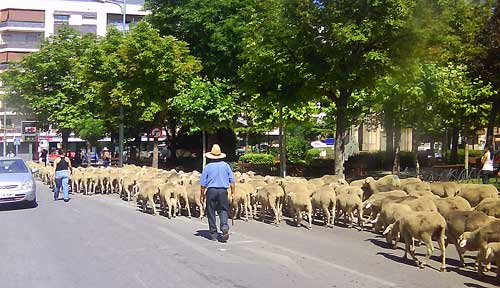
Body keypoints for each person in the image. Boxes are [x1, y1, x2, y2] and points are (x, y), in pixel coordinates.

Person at [200, 144, 235, 242]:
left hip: (211, 191)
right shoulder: (226, 166)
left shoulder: (208, 167)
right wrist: (233, 192)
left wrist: (201, 195)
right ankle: (224, 226)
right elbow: (232, 181)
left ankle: (213, 233)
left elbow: (203, 183)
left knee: (211, 211)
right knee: (223, 209)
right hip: (223, 191)